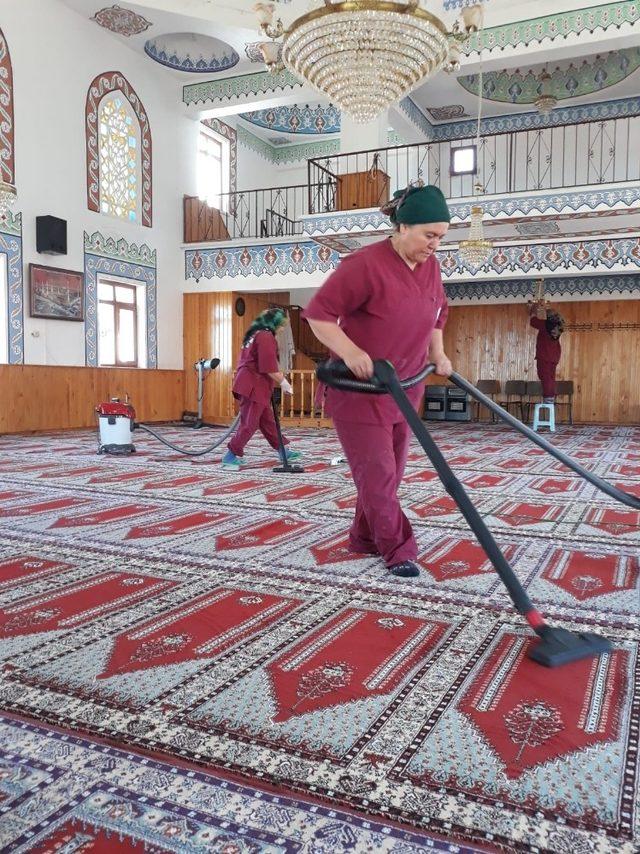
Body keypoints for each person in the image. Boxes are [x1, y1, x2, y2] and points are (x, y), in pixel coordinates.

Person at [303, 184, 453, 579]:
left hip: (407, 390)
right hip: (361, 393)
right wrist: (351, 353)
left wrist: (438, 354)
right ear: (403, 226)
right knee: (380, 476)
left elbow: (438, 313)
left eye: (441, 237)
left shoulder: (431, 266)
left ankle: (364, 537)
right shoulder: (363, 265)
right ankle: (397, 548)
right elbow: (318, 315)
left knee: (388, 475)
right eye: (429, 235)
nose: (435, 245)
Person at [222, 307, 302, 470]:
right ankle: (231, 454)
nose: (281, 330)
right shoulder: (265, 336)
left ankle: (283, 450)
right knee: (250, 423)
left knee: (267, 421)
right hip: (253, 385)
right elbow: (269, 367)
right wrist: (285, 384)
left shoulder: (255, 333)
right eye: (280, 325)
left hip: (253, 384)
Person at [528, 302, 564, 402]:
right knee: (551, 378)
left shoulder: (546, 325)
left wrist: (533, 308)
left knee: (545, 376)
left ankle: (548, 398)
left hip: (545, 356)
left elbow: (533, 321)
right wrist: (547, 309)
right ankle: (551, 397)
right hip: (554, 356)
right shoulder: (559, 326)